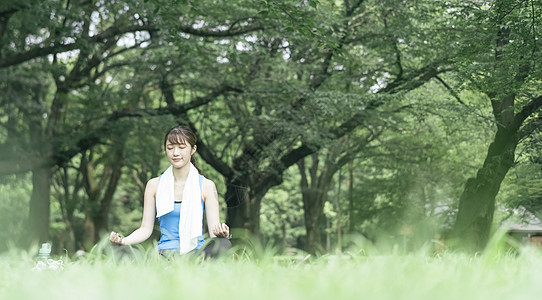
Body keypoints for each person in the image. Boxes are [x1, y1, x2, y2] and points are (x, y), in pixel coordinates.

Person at [110, 125, 231, 258]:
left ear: (193, 149)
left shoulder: (206, 186)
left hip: (196, 254)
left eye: (181, 147)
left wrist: (222, 235)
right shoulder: (154, 185)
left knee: (223, 244)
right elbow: (145, 229)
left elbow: (214, 231)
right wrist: (123, 241)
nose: (175, 153)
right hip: (163, 255)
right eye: (170, 148)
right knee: (117, 251)